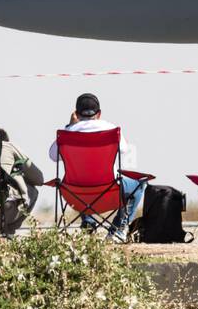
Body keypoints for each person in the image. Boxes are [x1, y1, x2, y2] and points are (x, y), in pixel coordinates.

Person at [48, 93, 144, 235]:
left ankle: (89, 223)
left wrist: (70, 126)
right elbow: (124, 149)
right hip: (110, 190)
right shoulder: (112, 129)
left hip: (75, 194)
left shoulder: (67, 132)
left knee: (83, 178)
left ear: (76, 113)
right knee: (140, 184)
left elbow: (53, 156)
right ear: (99, 114)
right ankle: (117, 230)